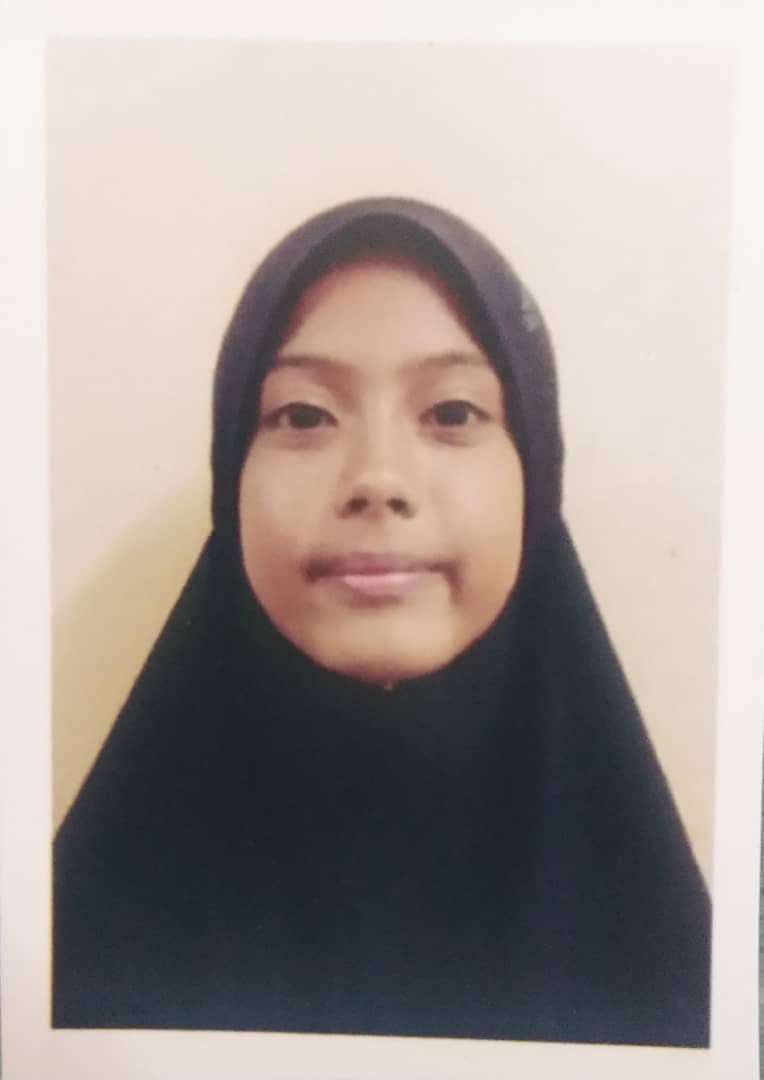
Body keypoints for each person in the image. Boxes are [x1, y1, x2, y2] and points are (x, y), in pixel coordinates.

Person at [52, 196, 711, 1045]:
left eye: (452, 414)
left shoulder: (664, 959)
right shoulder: (76, 949)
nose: (377, 479)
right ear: (232, 476)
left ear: (536, 478)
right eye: (304, 415)